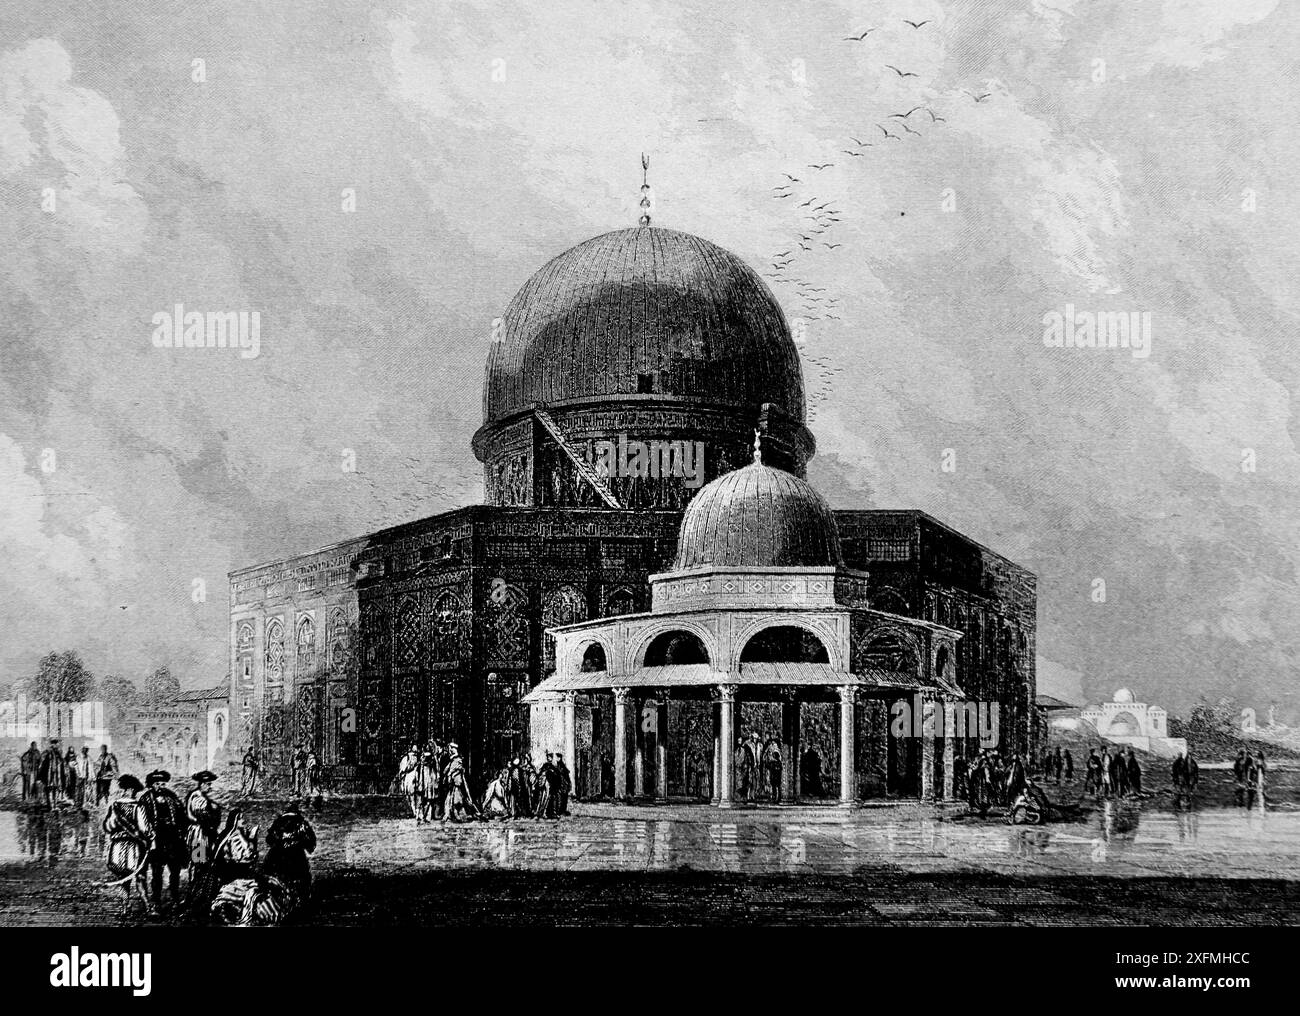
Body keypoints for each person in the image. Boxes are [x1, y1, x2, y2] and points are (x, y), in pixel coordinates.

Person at [139, 770, 188, 911]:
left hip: (173, 838)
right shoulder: (145, 799)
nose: (160, 786)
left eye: (162, 783)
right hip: (156, 839)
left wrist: (181, 831)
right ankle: (156, 901)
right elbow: (142, 820)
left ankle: (175, 897)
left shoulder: (171, 797)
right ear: (151, 785)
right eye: (157, 784)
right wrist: (149, 834)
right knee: (156, 872)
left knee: (175, 870)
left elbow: (181, 815)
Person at [102, 775, 151, 915]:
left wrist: (117, 825)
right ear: (131, 789)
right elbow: (144, 828)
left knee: (123, 878)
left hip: (118, 846)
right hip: (134, 845)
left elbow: (108, 826)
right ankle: (147, 906)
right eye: (134, 790)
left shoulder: (115, 805)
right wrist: (149, 837)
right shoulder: (138, 806)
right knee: (140, 876)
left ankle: (124, 907)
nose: (134, 793)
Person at [441, 743, 478, 822]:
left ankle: (459, 816)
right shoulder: (452, 760)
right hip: (453, 783)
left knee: (457, 801)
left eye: (452, 748)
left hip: (457, 782)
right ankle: (450, 815)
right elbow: (447, 770)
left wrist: (451, 774)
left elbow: (456, 770)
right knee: (450, 800)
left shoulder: (458, 760)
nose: (451, 750)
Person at [532, 752, 557, 820]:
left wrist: (552, 772)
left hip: (549, 785)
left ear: (552, 758)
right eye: (548, 757)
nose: (549, 759)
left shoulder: (553, 766)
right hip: (543, 784)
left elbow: (555, 775)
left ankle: (544, 813)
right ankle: (538, 813)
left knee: (547, 799)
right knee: (541, 798)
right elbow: (540, 773)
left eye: (550, 757)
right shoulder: (545, 765)